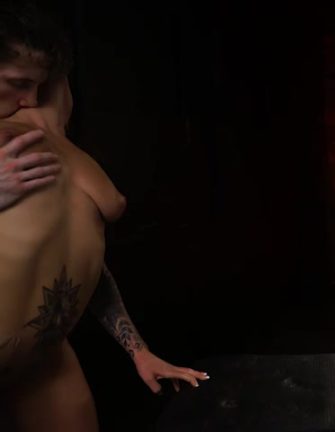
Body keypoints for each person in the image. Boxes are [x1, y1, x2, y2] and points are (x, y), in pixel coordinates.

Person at [1, 3, 208, 431]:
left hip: (44, 359)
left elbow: (77, 262)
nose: (31, 98)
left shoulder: (68, 151)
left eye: (43, 83)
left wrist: (138, 350)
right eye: (19, 84)